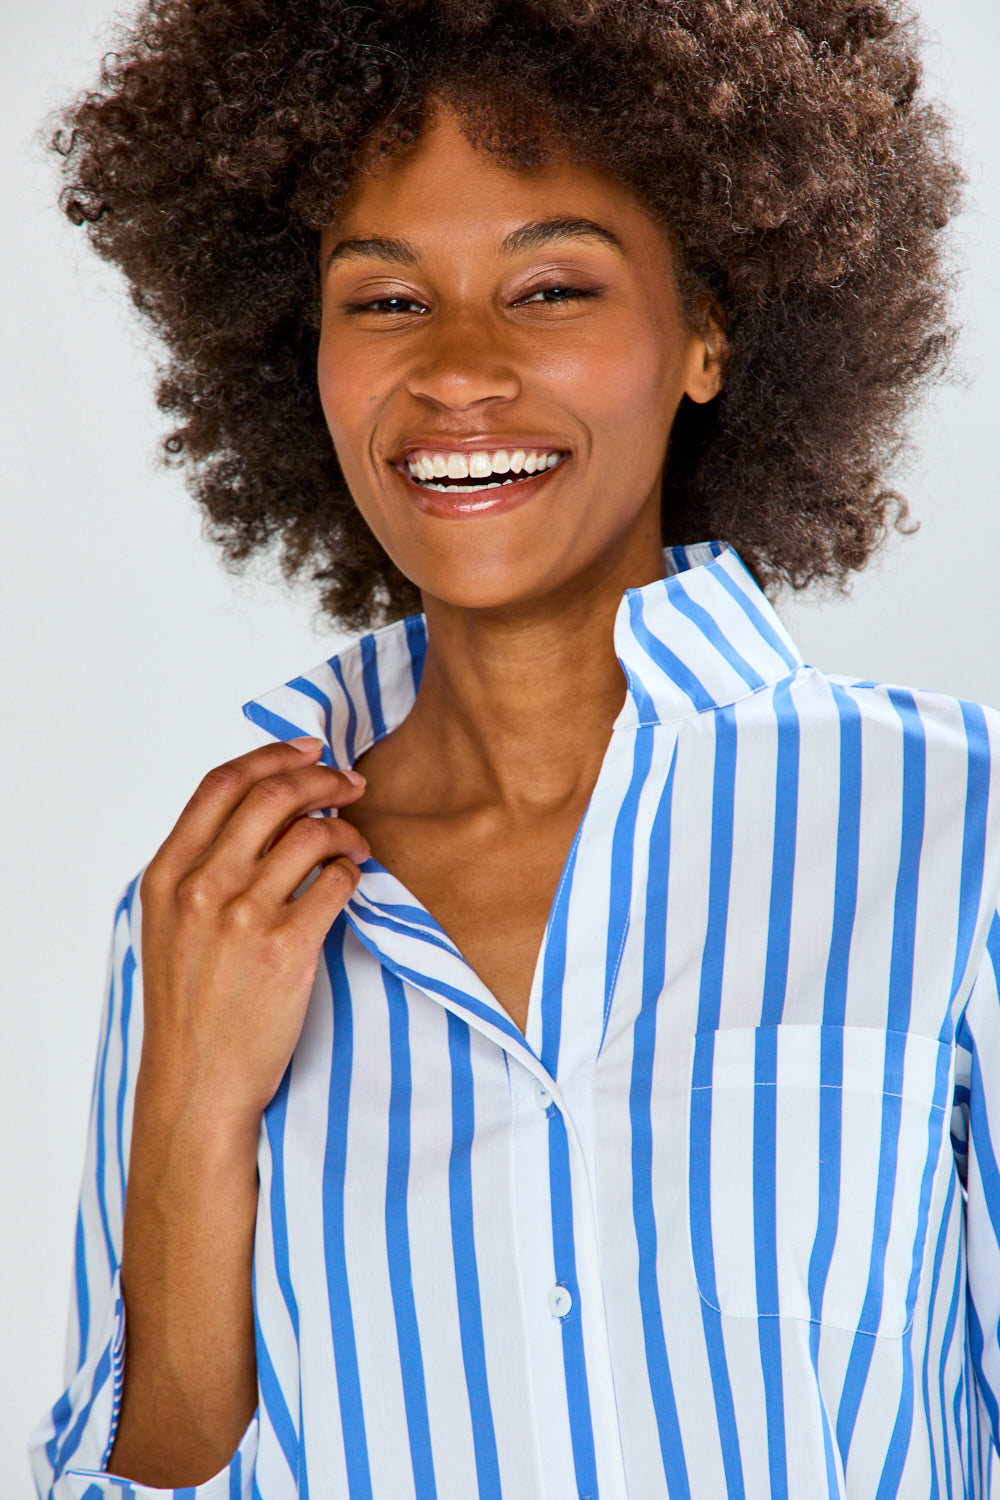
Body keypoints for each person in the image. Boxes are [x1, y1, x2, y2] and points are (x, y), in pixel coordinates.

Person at [28, 0, 1000, 1496]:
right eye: (386, 300)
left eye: (551, 288)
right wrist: (193, 1116)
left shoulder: (953, 831)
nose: (458, 370)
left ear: (706, 332)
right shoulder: (219, 905)